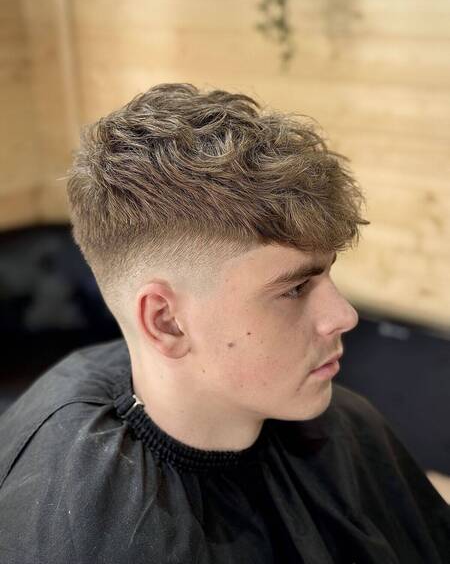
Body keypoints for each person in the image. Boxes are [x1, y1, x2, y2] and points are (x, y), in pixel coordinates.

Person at [0, 83, 448, 563]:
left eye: (327, 274)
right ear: (167, 322)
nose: (345, 316)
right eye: (295, 289)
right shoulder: (95, 535)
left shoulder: (341, 427)